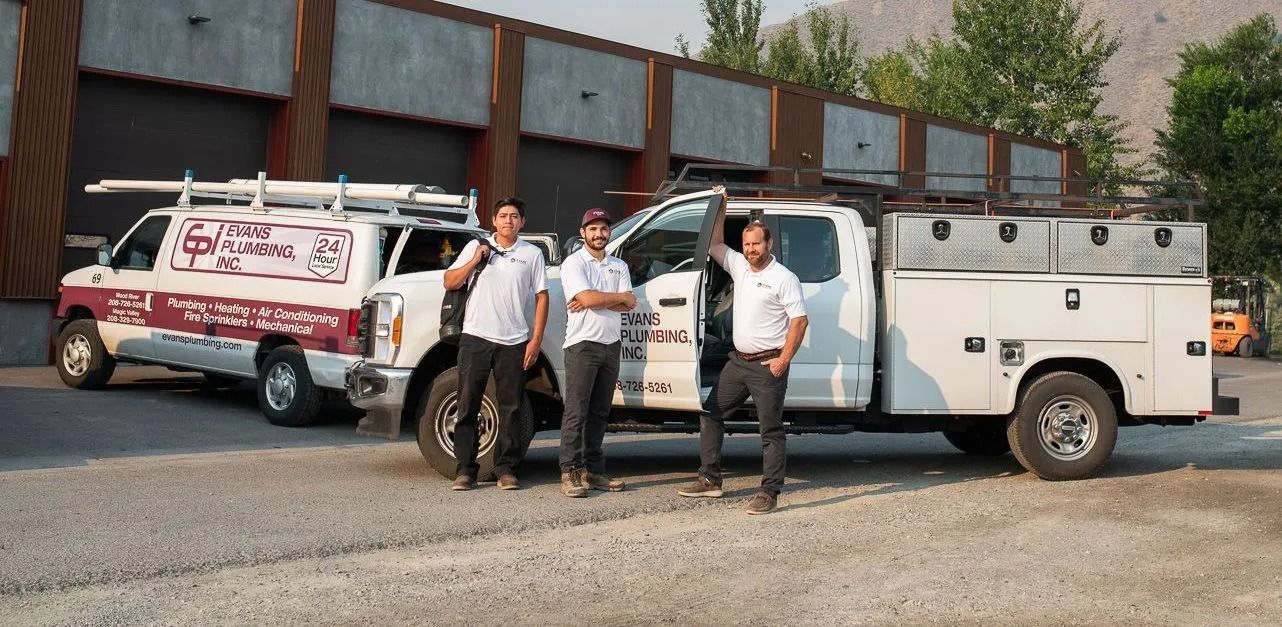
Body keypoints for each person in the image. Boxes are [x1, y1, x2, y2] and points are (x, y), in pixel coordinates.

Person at [676, 189, 808, 515]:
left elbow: (800, 321)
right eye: (747, 244)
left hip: (767, 364)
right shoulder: (740, 266)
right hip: (738, 361)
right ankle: (710, 480)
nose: (751, 249)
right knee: (710, 413)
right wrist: (721, 206)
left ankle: (770, 493)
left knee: (770, 431)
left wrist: (783, 360)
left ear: (769, 244)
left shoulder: (783, 278)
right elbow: (714, 244)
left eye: (757, 244)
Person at [442, 197, 549, 491]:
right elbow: (450, 281)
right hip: (476, 336)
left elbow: (542, 296)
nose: (509, 221)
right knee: (467, 403)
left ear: (522, 222)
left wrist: (535, 340)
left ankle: (506, 469)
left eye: (514, 216)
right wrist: (476, 259)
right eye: (503, 215)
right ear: (494, 221)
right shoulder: (475, 247)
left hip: (514, 340)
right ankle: (465, 469)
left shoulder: (532, 254)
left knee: (511, 407)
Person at [558, 208, 637, 497]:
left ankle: (593, 470)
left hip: (610, 345)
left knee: (600, 412)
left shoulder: (619, 266)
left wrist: (594, 299)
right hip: (582, 345)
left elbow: (629, 304)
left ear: (609, 232)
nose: (598, 234)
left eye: (603, 228)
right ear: (583, 233)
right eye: (592, 229)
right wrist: (607, 298)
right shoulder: (573, 263)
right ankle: (569, 472)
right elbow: (594, 298)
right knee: (576, 411)